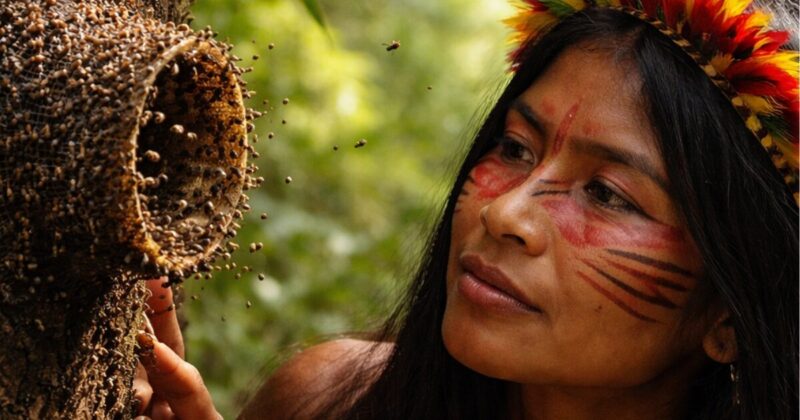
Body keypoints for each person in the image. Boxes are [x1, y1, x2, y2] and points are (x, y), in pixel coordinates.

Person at [134, 0, 799, 419]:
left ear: (728, 317)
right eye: (514, 147)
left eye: (607, 193)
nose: (507, 213)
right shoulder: (324, 400)